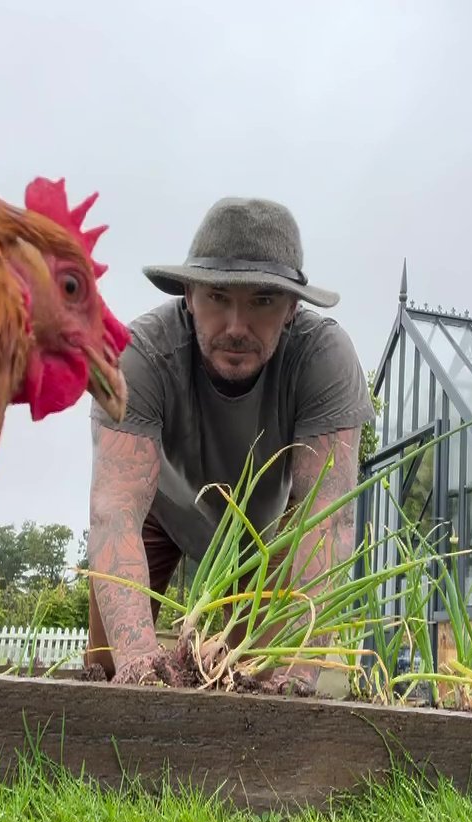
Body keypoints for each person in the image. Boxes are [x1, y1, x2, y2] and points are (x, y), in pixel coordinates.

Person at [86, 196, 375, 693]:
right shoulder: (140, 358)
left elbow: (326, 517)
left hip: (266, 535)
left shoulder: (323, 359)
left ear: (291, 309)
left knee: (252, 679)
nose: (237, 327)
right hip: (159, 510)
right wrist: (137, 658)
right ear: (189, 295)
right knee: (109, 668)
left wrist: (298, 671)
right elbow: (114, 512)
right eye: (218, 296)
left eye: (262, 300)